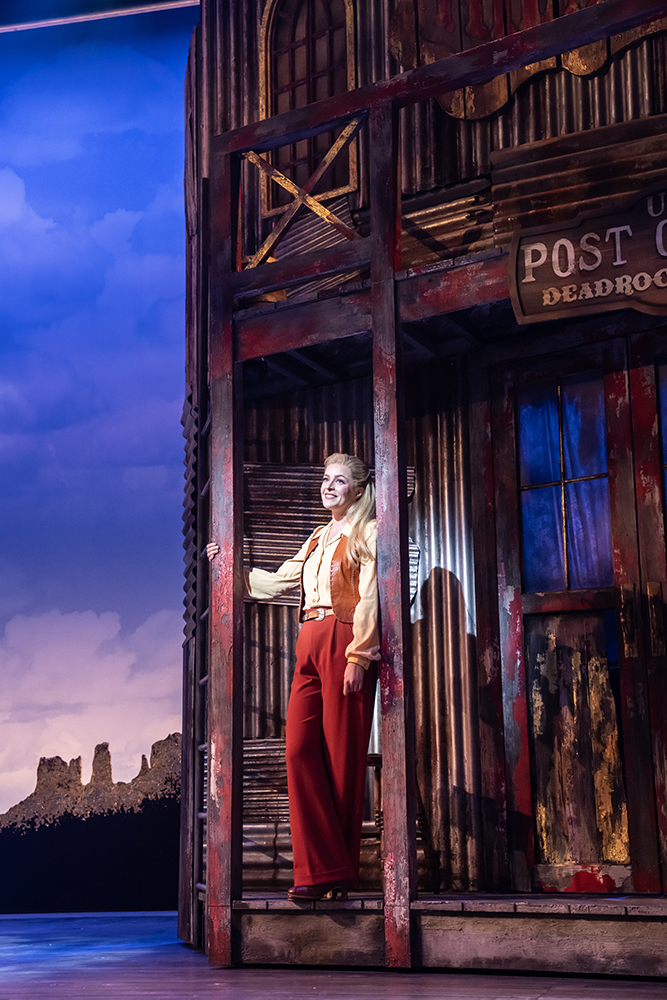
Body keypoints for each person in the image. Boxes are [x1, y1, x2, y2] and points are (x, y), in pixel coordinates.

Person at [206, 453, 380, 901]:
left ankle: (330, 877)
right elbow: (280, 582)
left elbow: (371, 597)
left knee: (342, 760)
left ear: (358, 490)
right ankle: (323, 868)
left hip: (344, 639)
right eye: (326, 479)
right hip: (309, 639)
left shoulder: (370, 532)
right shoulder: (318, 536)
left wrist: (359, 656)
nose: (328, 486)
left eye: (338, 481)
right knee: (299, 751)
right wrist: (227, 568)